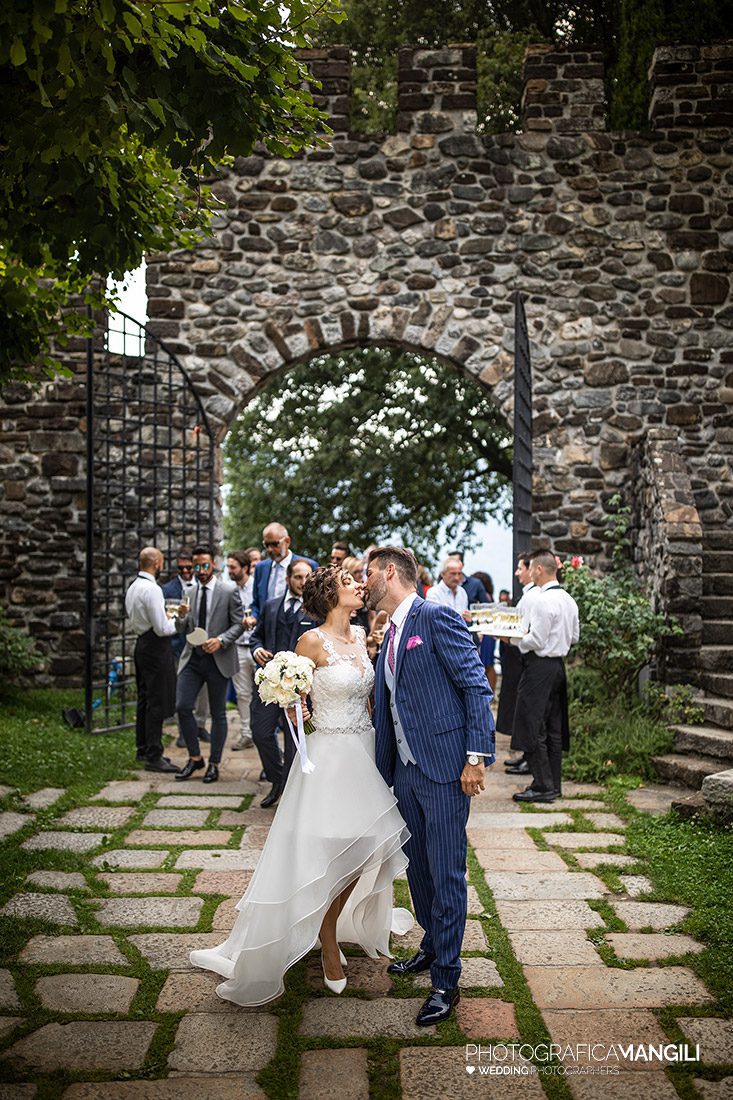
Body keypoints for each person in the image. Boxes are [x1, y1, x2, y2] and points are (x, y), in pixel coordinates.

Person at [189, 564, 413, 1005]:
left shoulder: (363, 636)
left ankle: (328, 921)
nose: (358, 586)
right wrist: (298, 710)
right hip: (328, 756)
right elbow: (291, 694)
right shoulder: (311, 640)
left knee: (367, 841)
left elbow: (369, 697)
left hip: (364, 751)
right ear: (330, 594)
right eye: (349, 582)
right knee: (329, 845)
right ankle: (325, 934)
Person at [365, 546, 495, 1027]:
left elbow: (475, 686)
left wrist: (476, 757)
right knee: (416, 870)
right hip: (404, 770)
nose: (364, 582)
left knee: (445, 875)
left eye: (368, 573)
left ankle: (446, 979)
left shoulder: (435, 617)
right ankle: (430, 943)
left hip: (444, 770)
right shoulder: (390, 631)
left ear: (390, 572)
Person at [509, 548, 580, 803]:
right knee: (554, 728)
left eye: (530, 568)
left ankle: (542, 785)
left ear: (538, 569)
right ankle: (554, 784)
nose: (527, 572)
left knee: (533, 725)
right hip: (558, 667)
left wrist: (515, 640)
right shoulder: (568, 599)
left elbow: (536, 640)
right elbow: (574, 637)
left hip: (539, 667)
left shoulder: (541, 600)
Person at [249, 559, 319, 807]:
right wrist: (256, 648)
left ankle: (291, 796)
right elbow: (255, 637)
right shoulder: (270, 606)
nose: (303, 582)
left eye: (307, 577)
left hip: (300, 688)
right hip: (270, 684)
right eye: (298, 577)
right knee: (260, 732)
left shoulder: (316, 611)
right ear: (288, 578)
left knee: (295, 742)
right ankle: (278, 779)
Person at [174, 546, 243, 784]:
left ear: (213, 564)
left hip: (218, 660)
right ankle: (195, 758)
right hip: (193, 658)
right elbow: (180, 628)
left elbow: (239, 624)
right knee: (182, 706)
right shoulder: (189, 592)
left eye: (204, 566)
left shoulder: (228, 590)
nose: (200, 571)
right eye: (196, 566)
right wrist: (181, 616)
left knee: (218, 714)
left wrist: (221, 640)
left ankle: (213, 763)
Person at [124, 547, 180, 773]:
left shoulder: (133, 587)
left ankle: (142, 748)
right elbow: (162, 628)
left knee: (144, 698)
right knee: (156, 700)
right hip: (156, 647)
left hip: (142, 644)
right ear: (157, 563)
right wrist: (177, 619)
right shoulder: (153, 589)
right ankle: (154, 755)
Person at [500, 553, 542, 775]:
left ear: (531, 569)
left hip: (523, 653)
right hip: (520, 652)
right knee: (521, 707)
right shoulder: (529, 595)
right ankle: (525, 755)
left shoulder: (532, 597)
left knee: (526, 709)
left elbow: (523, 628)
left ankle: (529, 757)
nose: (517, 573)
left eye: (520, 568)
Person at [251, 523, 318, 618]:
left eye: (274, 544)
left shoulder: (308, 565)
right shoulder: (261, 568)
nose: (270, 549)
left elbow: (315, 601)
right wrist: (252, 617)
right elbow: (256, 604)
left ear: (287, 541)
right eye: (266, 545)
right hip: (267, 627)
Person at [227, 550, 257, 752]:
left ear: (244, 568)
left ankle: (266, 733)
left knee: (264, 693)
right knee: (242, 694)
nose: (229, 571)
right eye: (228, 567)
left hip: (256, 646)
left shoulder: (257, 587)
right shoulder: (228, 590)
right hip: (237, 646)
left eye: (233, 567)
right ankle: (247, 734)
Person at [425, 557, 471, 626]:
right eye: (453, 574)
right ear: (443, 574)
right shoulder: (434, 593)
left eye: (459, 574)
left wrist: (468, 617)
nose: (457, 578)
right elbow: (435, 620)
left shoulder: (462, 592)